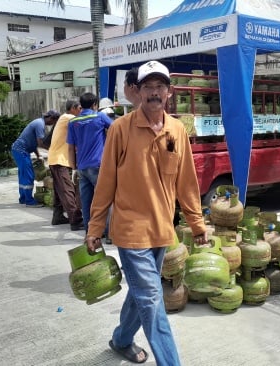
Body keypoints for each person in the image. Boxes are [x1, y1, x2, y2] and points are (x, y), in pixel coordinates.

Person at [85, 60, 208, 365]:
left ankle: (121, 339)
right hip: (130, 230)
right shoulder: (120, 129)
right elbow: (106, 182)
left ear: (169, 92)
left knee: (140, 293)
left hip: (162, 231)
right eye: (148, 87)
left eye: (160, 87)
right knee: (152, 300)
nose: (154, 93)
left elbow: (186, 182)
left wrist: (197, 224)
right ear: (137, 92)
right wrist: (95, 226)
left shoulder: (177, 130)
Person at [67, 92, 113, 232]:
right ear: (95, 105)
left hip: (82, 167)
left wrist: (73, 167)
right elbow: (116, 129)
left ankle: (90, 232)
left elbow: (70, 147)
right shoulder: (99, 116)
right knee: (104, 200)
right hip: (98, 165)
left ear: (81, 105)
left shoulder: (73, 122)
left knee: (86, 203)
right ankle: (107, 232)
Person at [48, 100, 84, 231]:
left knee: (59, 189)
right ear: (73, 108)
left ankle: (57, 216)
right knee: (67, 189)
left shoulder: (64, 118)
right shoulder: (69, 118)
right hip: (59, 160)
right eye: (80, 108)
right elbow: (85, 122)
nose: (81, 110)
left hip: (56, 159)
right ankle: (76, 220)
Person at [11, 109, 60, 207]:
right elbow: (40, 143)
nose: (53, 124)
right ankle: (29, 201)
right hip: (21, 151)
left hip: (18, 150)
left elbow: (33, 144)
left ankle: (23, 198)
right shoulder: (40, 125)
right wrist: (53, 150)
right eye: (54, 121)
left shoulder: (39, 122)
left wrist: (39, 155)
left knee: (23, 175)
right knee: (29, 175)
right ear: (50, 118)